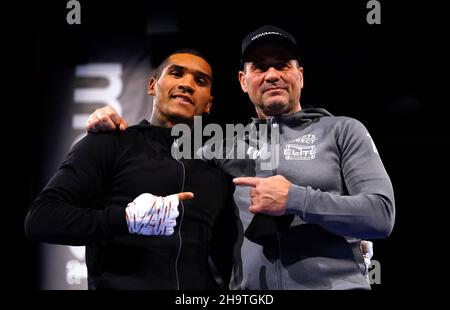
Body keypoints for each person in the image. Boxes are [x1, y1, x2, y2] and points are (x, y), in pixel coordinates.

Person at [86, 25, 395, 289]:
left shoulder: (343, 130)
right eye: (259, 67)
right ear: (243, 81)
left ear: (299, 76)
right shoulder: (219, 146)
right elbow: (156, 157)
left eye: (282, 65)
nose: (272, 74)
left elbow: (380, 215)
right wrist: (111, 125)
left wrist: (296, 199)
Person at [25, 49, 236, 290]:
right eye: (176, 73)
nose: (187, 84)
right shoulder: (109, 142)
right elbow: (41, 219)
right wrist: (126, 220)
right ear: (152, 86)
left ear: (208, 103)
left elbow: (228, 255)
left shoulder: (218, 165)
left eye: (200, 81)